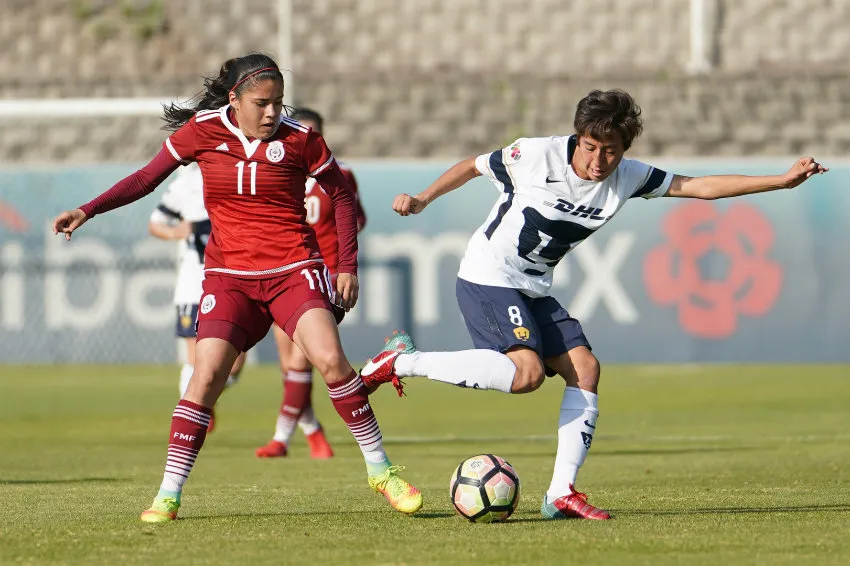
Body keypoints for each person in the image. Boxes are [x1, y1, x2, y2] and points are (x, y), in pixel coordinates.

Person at [360, 89, 827, 520]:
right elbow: (473, 165)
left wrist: (782, 181)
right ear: (577, 136)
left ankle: (560, 492)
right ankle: (400, 362)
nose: (599, 160)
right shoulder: (535, 154)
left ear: (624, 150)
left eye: (611, 151)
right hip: (489, 275)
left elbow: (699, 186)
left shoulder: (629, 176)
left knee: (585, 368)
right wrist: (422, 198)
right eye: (590, 146)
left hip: (532, 287)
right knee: (527, 375)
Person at [52, 52, 422, 523]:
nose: (272, 113)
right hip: (229, 278)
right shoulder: (203, 131)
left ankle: (381, 471)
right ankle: (168, 494)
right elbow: (146, 179)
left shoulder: (301, 139)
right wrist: (87, 210)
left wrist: (346, 266)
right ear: (235, 99)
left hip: (293, 269)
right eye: (262, 103)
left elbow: (342, 195)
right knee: (204, 378)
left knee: (330, 360)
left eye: (278, 102)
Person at [255, 108, 367, 459]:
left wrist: (341, 259)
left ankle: (281, 439)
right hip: (284, 273)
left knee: (301, 361)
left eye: (312, 132)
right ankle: (313, 430)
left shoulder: (339, 174)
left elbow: (356, 219)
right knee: (289, 364)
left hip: (323, 276)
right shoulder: (275, 171)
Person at [147, 162, 246, 432]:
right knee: (195, 357)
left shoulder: (241, 173)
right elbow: (156, 223)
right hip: (194, 284)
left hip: (232, 280)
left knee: (235, 363)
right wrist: (174, 232)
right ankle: (189, 419)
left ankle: (201, 398)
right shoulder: (186, 183)